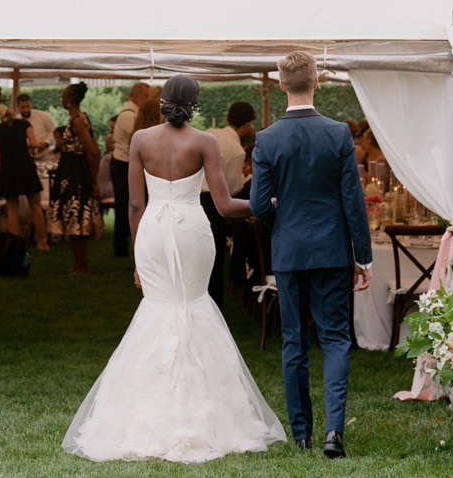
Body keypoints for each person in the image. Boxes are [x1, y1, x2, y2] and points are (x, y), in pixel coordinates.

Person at [62, 75, 286, 462]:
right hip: (192, 230)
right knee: (193, 303)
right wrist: (267, 203)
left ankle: (142, 411)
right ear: (194, 105)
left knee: (159, 306)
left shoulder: (140, 140)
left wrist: (137, 255)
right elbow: (224, 205)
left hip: (153, 231)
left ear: (163, 102)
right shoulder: (205, 142)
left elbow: (134, 205)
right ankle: (207, 411)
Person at [250, 51, 372, 458]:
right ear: (316, 81)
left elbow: (259, 206)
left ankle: (301, 433)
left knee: (293, 342)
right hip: (334, 249)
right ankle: (333, 434)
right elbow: (353, 200)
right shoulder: (338, 133)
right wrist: (364, 257)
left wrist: (280, 220)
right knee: (336, 339)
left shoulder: (266, 139)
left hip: (289, 251)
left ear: (282, 84)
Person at [200, 101, 255, 311]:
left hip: (193, 197)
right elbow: (231, 190)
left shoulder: (209, 133)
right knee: (214, 256)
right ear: (247, 125)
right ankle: (214, 304)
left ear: (227, 118)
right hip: (213, 203)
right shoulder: (237, 151)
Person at [49, 82, 103, 274]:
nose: (61, 99)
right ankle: (78, 264)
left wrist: (94, 179)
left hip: (75, 172)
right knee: (72, 215)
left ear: (71, 100)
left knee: (76, 215)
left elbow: (93, 150)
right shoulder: (77, 118)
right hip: (70, 170)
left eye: (63, 96)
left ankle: (82, 265)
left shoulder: (78, 121)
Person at [0, 106, 49, 250]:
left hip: (8, 169)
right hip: (25, 166)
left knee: (12, 208)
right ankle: (42, 242)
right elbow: (34, 144)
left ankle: (14, 244)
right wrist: (38, 146)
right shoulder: (24, 124)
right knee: (36, 205)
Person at [111, 82, 150, 257]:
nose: (147, 100)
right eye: (145, 96)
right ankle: (121, 246)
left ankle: (131, 244)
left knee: (132, 205)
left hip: (128, 164)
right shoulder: (129, 115)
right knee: (124, 206)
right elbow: (139, 137)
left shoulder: (134, 113)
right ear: (135, 96)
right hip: (122, 164)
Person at [16, 93, 57, 160]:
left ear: (31, 104)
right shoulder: (16, 120)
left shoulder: (43, 115)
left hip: (45, 154)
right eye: (23, 107)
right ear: (18, 107)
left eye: (28, 106)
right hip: (25, 156)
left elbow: (54, 131)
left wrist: (46, 142)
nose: (26, 110)